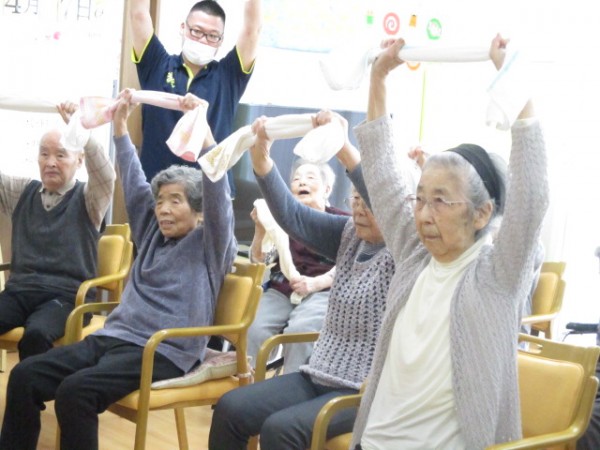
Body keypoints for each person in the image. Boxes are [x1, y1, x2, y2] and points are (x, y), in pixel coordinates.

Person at [0, 91, 237, 450]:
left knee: (76, 392)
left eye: (175, 201)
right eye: (160, 201)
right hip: (115, 336)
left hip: (163, 350)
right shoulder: (151, 232)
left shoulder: (211, 244)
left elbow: (218, 190)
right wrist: (121, 127)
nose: (163, 209)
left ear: (200, 212)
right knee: (24, 374)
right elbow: (133, 182)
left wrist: (205, 137)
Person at [348, 34, 548, 450]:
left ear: (481, 213)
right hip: (374, 441)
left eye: (440, 201)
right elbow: (382, 174)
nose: (424, 214)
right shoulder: (415, 255)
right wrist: (379, 78)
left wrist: (513, 81)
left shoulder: (498, 276)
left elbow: (530, 198)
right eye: (420, 198)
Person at [208, 108, 417, 450]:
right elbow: (294, 217)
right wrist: (262, 163)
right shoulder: (349, 233)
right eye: (355, 199)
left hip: (367, 390)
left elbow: (384, 196)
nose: (360, 208)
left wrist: (341, 146)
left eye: (369, 201)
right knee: (231, 408)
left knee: (281, 430)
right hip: (320, 373)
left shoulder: (407, 249)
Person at [0, 102, 115, 361]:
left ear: (79, 160)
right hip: (19, 291)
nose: (51, 162)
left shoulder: (89, 198)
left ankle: (30, 387)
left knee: (36, 334)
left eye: (61, 155)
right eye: (44, 154)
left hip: (68, 297)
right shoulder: (22, 192)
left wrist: (82, 133)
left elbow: (106, 176)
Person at [130, 0, 262, 194]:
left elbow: (252, 30)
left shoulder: (229, 75)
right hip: (156, 191)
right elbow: (139, 15)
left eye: (212, 36)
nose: (203, 40)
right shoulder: (157, 64)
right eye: (196, 31)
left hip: (210, 194)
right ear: (183, 28)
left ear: (221, 40)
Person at [247, 158, 349, 373]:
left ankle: (290, 387)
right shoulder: (281, 219)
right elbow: (260, 260)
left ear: (327, 189)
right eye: (296, 179)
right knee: (254, 328)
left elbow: (350, 261)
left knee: (300, 332)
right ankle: (246, 385)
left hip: (323, 290)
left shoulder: (343, 222)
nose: (302, 182)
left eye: (310, 178)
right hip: (282, 288)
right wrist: (260, 229)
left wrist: (316, 283)